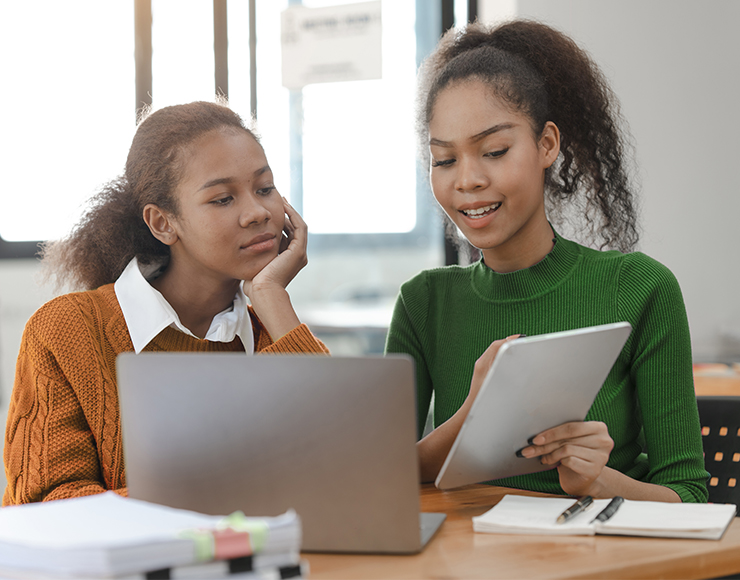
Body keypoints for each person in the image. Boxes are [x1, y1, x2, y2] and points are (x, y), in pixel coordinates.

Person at [385, 20, 707, 502]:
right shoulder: (423, 302)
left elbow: (689, 498)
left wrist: (597, 482)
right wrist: (476, 411)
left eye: (494, 151)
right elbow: (381, 474)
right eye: (445, 160)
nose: (467, 180)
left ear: (546, 145)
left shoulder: (640, 288)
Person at [3, 100, 328, 505]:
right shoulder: (66, 332)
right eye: (223, 199)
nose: (258, 212)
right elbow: (49, 504)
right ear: (163, 223)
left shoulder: (275, 331)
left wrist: (271, 296)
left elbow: (349, 464)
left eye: (264, 188)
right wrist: (227, 491)